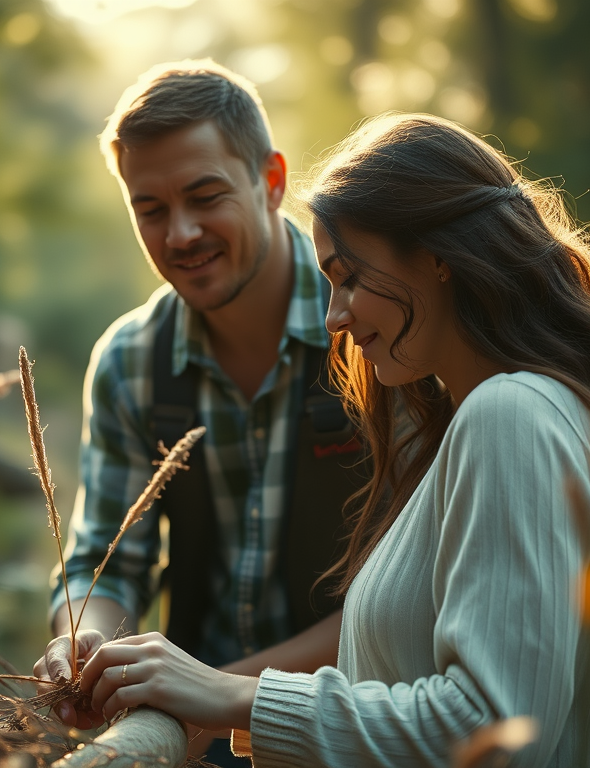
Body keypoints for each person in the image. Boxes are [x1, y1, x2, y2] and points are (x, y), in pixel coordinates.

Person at [75, 113, 590, 767]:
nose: (334, 316)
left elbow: (494, 733)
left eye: (350, 277)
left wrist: (228, 693)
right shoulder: (520, 419)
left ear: (438, 258)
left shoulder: (512, 417)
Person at [34, 61, 368, 763]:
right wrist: (83, 640)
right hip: (195, 741)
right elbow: (106, 558)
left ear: (272, 181)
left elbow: (403, 597)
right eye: (149, 209)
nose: (180, 233)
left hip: (354, 727)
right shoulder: (130, 361)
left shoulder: (368, 332)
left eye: (205, 195)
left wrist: (210, 692)